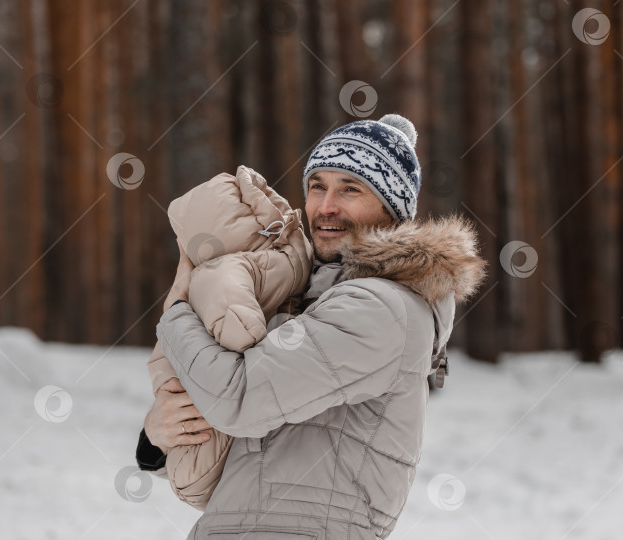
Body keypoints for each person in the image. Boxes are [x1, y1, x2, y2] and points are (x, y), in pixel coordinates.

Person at [137, 114, 488, 539]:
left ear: (392, 209)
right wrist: (157, 437)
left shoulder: (383, 308)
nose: (326, 206)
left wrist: (177, 311)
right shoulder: (306, 299)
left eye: (350, 189)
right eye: (317, 185)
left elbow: (239, 399)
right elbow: (244, 459)